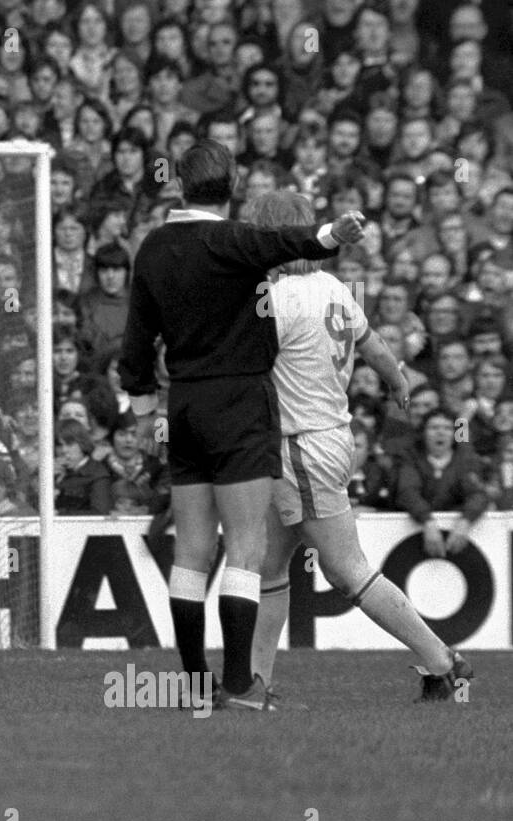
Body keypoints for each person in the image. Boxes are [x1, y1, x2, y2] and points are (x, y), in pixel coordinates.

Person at [119, 139, 367, 710]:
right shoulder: (233, 241)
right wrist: (336, 232)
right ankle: (240, 685)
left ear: (180, 183)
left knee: (191, 554)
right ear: (231, 185)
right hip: (240, 407)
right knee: (246, 552)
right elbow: (293, 241)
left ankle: (190, 684)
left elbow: (134, 348)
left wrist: (142, 414)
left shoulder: (153, 248)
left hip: (182, 406)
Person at [241, 191, 473, 705]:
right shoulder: (332, 287)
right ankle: (255, 685)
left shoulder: (274, 299)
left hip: (299, 445)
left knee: (346, 570)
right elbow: (371, 343)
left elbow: (242, 367)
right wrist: (398, 382)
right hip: (325, 438)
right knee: (270, 566)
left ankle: (444, 663)